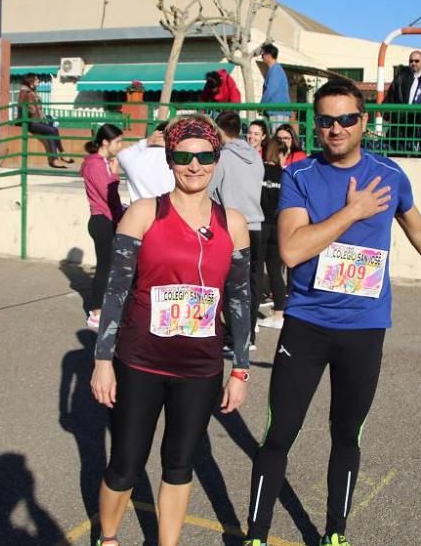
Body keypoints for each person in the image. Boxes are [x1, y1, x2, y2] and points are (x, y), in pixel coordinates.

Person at [243, 79, 421, 546]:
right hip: (307, 327)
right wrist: (353, 212)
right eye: (326, 120)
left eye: (346, 118)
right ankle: (256, 535)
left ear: (364, 122)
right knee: (279, 435)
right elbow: (290, 250)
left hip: (364, 330)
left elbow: (418, 227)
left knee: (346, 435)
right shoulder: (300, 176)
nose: (336, 128)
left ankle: (335, 533)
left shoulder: (389, 174)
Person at [90, 114, 252, 546]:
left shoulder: (232, 224)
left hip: (199, 369)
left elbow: (240, 301)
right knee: (125, 463)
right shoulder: (144, 213)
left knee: (179, 464)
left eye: (204, 156)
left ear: (217, 159)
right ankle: (108, 538)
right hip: (140, 361)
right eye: (183, 156)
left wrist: (240, 369)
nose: (194, 165)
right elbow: (115, 292)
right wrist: (102, 361)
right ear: (170, 158)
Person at [210, 111, 265, 351]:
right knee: (251, 284)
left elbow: (210, 191)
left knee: (230, 284)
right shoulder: (255, 156)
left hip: (231, 226)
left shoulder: (221, 158)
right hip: (256, 225)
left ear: (220, 130)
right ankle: (248, 334)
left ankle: (234, 336)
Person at [80, 124, 125, 329]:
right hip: (102, 220)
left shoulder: (102, 162)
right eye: (117, 141)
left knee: (110, 266)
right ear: (105, 142)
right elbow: (108, 194)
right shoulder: (96, 164)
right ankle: (96, 313)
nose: (120, 145)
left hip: (106, 219)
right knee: (104, 268)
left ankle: (105, 308)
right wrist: (115, 175)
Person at [258, 137, 288, 329]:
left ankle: (251, 319)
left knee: (255, 270)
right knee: (276, 271)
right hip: (277, 226)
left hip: (259, 224)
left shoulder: (257, 172)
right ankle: (279, 314)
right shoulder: (285, 176)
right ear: (279, 153)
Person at [384, 51, 421, 157]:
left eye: (416, 61)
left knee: (419, 156)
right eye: (411, 61)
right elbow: (391, 95)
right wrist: (387, 114)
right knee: (396, 154)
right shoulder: (401, 77)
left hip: (419, 123)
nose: (413, 63)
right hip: (400, 121)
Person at [17, 73, 73, 169]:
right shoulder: (24, 92)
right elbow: (20, 105)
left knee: (51, 131)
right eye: (36, 79)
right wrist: (30, 109)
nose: (38, 81)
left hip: (37, 120)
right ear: (31, 82)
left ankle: (56, 159)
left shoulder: (33, 91)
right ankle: (61, 154)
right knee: (52, 130)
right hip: (29, 122)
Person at [117, 121, 174, 202]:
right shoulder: (177, 161)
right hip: (168, 211)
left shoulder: (131, 159)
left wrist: (146, 141)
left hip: (139, 212)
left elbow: (121, 154)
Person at [259, 43, 290, 128]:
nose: (262, 56)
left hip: (278, 111)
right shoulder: (274, 69)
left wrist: (261, 106)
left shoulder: (275, 70)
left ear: (269, 55)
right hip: (275, 111)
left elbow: (270, 90)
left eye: (263, 54)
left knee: (277, 137)